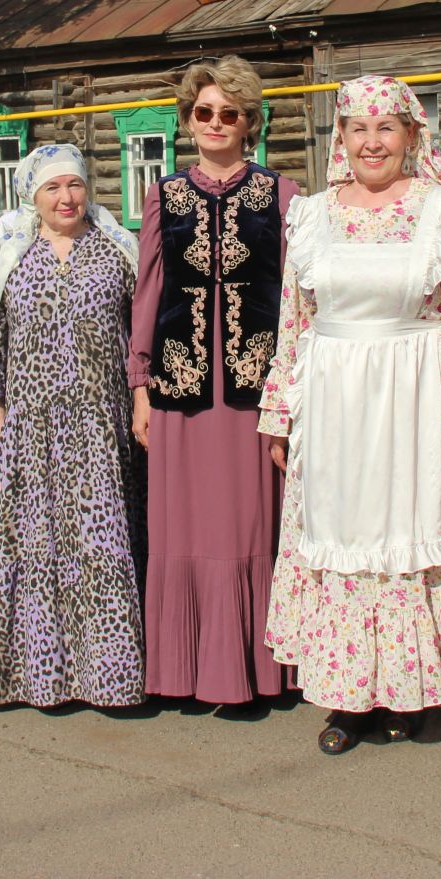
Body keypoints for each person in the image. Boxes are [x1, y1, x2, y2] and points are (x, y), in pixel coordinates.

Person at [258, 75, 441, 755]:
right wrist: (281, 413)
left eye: (385, 128)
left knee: (407, 531)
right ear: (340, 138)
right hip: (332, 402)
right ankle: (344, 698)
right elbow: (293, 322)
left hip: (412, 397)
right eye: (357, 129)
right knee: (337, 534)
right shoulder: (309, 214)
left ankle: (403, 689)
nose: (371, 142)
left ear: (410, 135)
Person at [128, 57, 298, 708]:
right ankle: (186, 671)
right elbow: (149, 294)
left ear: (250, 121)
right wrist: (141, 387)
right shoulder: (163, 197)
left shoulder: (282, 196)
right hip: (180, 390)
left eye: (229, 113)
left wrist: (292, 390)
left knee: (250, 528)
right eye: (204, 112)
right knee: (184, 530)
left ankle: (250, 673)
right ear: (187, 121)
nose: (216, 123)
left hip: (255, 393)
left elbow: (296, 300)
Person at [0, 143, 144, 709]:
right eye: (52, 188)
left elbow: (140, 336)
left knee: (99, 543)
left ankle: (108, 678)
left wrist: (141, 400)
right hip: (31, 426)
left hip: (98, 425)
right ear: (32, 196)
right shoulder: (10, 255)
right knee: (33, 544)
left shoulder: (118, 251)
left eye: (74, 185)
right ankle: (34, 677)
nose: (66, 198)